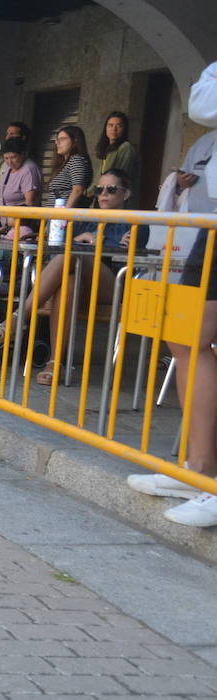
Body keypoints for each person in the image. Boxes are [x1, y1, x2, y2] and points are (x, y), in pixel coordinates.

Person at [128, 61, 217, 527]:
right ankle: (199, 469)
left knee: (194, 337)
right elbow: (203, 101)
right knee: (184, 339)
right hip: (211, 229)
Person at [0, 168, 147, 386]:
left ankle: (19, 317)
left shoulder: (135, 222)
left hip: (114, 284)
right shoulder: (85, 219)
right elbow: (58, 244)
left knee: (76, 254)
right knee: (69, 283)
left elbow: (131, 257)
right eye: (99, 189)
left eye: (111, 189)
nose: (103, 194)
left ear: (126, 194)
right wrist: (81, 236)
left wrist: (97, 243)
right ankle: (54, 364)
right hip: (82, 283)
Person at [92, 111, 140, 209]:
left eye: (119, 126)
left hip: (118, 203)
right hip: (104, 200)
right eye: (110, 125)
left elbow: (120, 178)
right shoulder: (108, 150)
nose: (114, 129)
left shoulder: (126, 147)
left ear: (124, 129)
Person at [46, 125, 93, 210]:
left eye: (63, 139)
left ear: (75, 141)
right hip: (55, 216)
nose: (57, 143)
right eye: (57, 139)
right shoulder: (65, 163)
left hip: (63, 218)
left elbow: (77, 190)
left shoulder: (76, 160)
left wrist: (64, 215)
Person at [0, 137, 42, 208]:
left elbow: (30, 203)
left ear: (23, 154)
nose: (10, 162)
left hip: (19, 218)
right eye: (6, 158)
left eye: (13, 157)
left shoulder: (29, 169)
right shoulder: (9, 168)